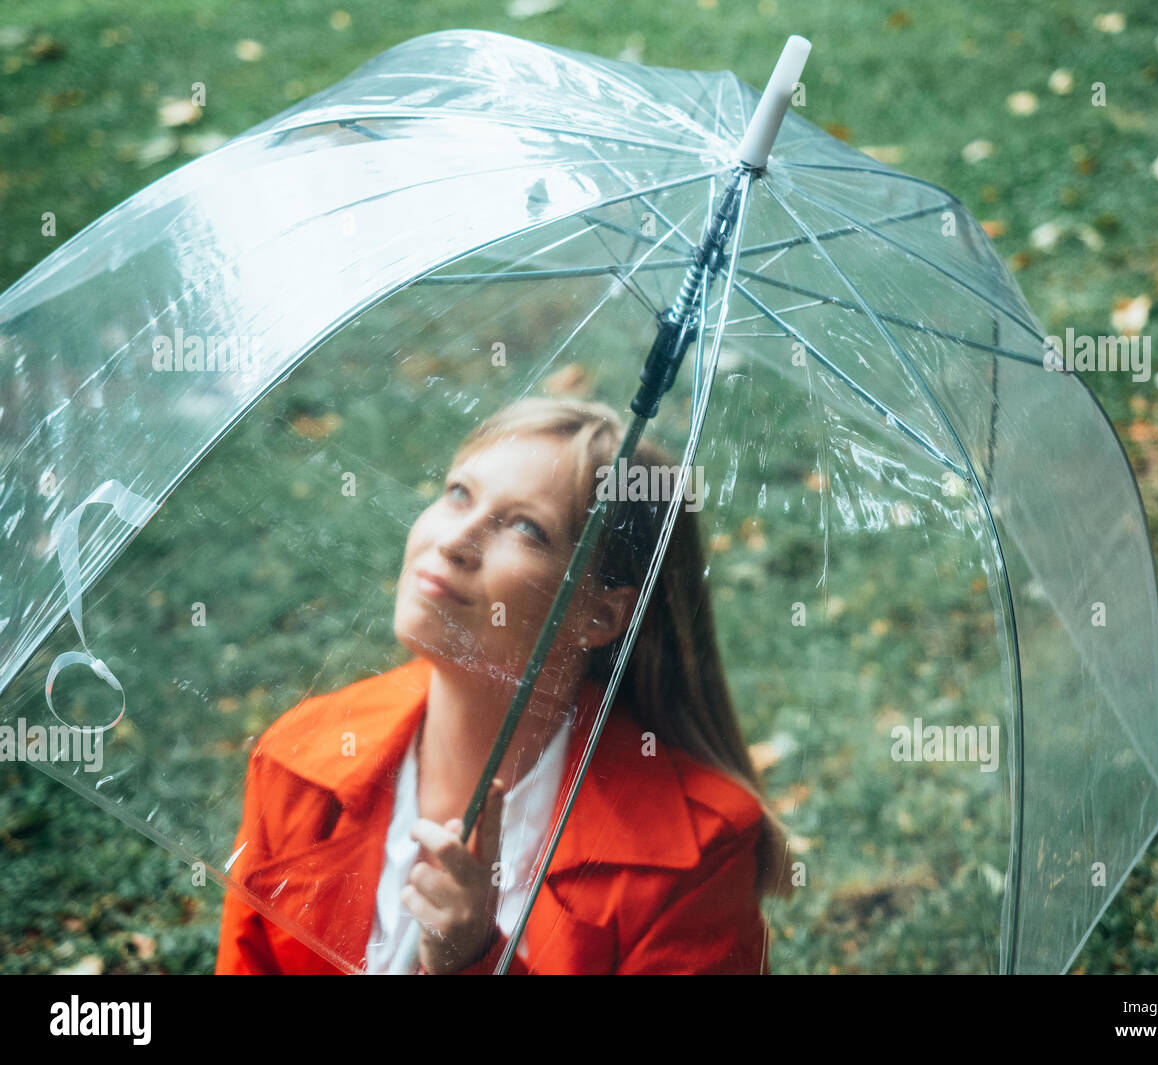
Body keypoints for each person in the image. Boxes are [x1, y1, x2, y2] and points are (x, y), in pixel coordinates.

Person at [215, 397, 789, 974]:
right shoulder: (303, 756)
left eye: (526, 528)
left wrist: (477, 961)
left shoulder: (696, 853)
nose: (454, 541)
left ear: (600, 616)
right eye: (458, 492)